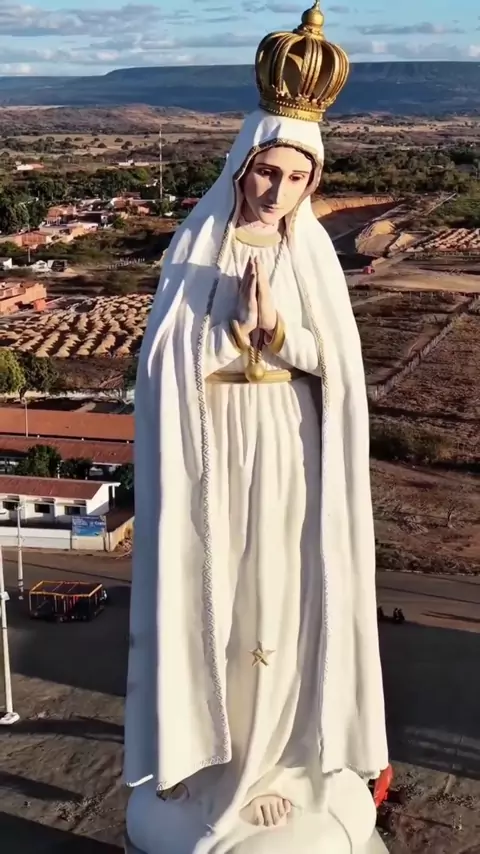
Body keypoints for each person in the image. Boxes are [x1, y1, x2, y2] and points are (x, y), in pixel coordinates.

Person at [124, 4, 388, 853]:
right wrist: (223, 334)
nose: (276, 191)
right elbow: (162, 365)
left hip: (288, 449)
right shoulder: (196, 248)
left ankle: (278, 763)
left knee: (284, 595)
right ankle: (215, 760)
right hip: (213, 457)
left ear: (313, 183)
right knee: (220, 598)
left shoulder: (309, 255)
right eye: (265, 172)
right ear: (241, 165)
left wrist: (278, 333)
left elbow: (337, 366)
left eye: (295, 178)